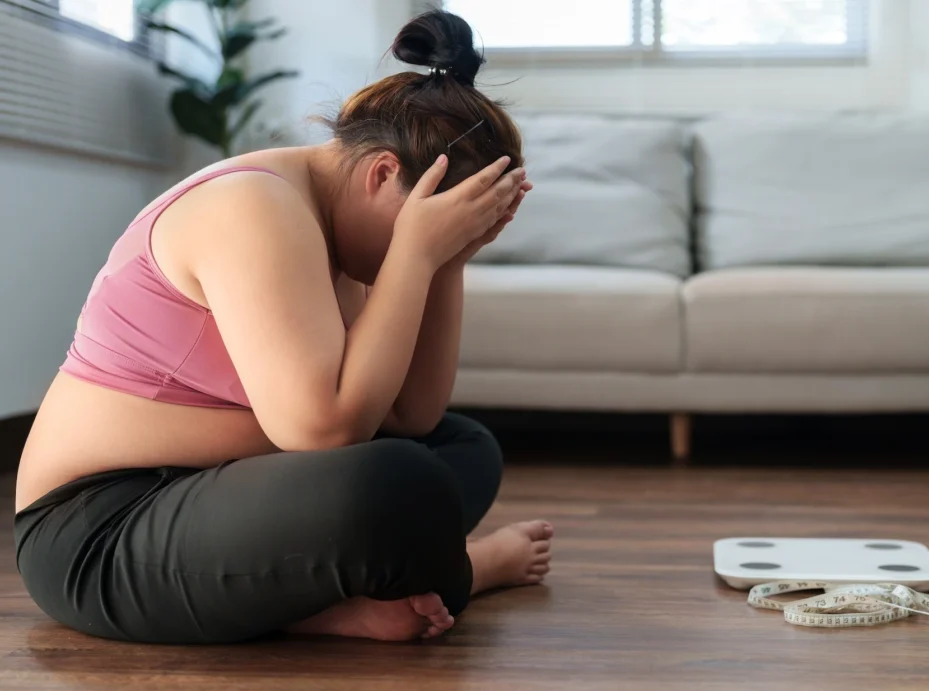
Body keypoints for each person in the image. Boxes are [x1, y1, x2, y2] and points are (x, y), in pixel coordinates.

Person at [12, 10, 552, 644]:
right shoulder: (255, 206)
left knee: (462, 449)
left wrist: (446, 259)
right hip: (99, 529)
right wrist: (414, 253)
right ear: (382, 173)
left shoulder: (337, 214)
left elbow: (413, 415)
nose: (416, 252)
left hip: (216, 499)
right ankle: (463, 571)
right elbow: (324, 430)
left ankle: (316, 607)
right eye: (425, 228)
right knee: (399, 482)